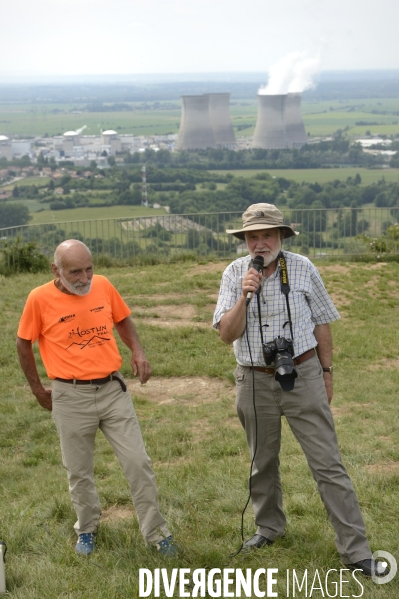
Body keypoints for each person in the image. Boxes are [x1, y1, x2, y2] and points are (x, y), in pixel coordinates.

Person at [213, 203, 387, 577]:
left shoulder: (304, 267)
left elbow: (323, 322)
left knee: (328, 464)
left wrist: (326, 372)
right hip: (253, 378)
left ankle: (356, 551)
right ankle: (269, 528)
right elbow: (226, 333)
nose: (260, 244)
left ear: (280, 237)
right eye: (253, 237)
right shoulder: (233, 275)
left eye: (267, 235)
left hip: (304, 372)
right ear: (244, 240)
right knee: (262, 462)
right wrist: (245, 295)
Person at [16, 239, 176, 557]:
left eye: (89, 269)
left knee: (138, 463)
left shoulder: (102, 285)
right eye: (75, 272)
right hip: (70, 395)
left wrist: (138, 351)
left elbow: (122, 318)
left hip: (112, 390)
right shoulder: (38, 299)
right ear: (56, 270)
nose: (85, 278)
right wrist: (38, 389)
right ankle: (87, 529)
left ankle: (157, 534)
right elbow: (23, 344)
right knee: (79, 470)